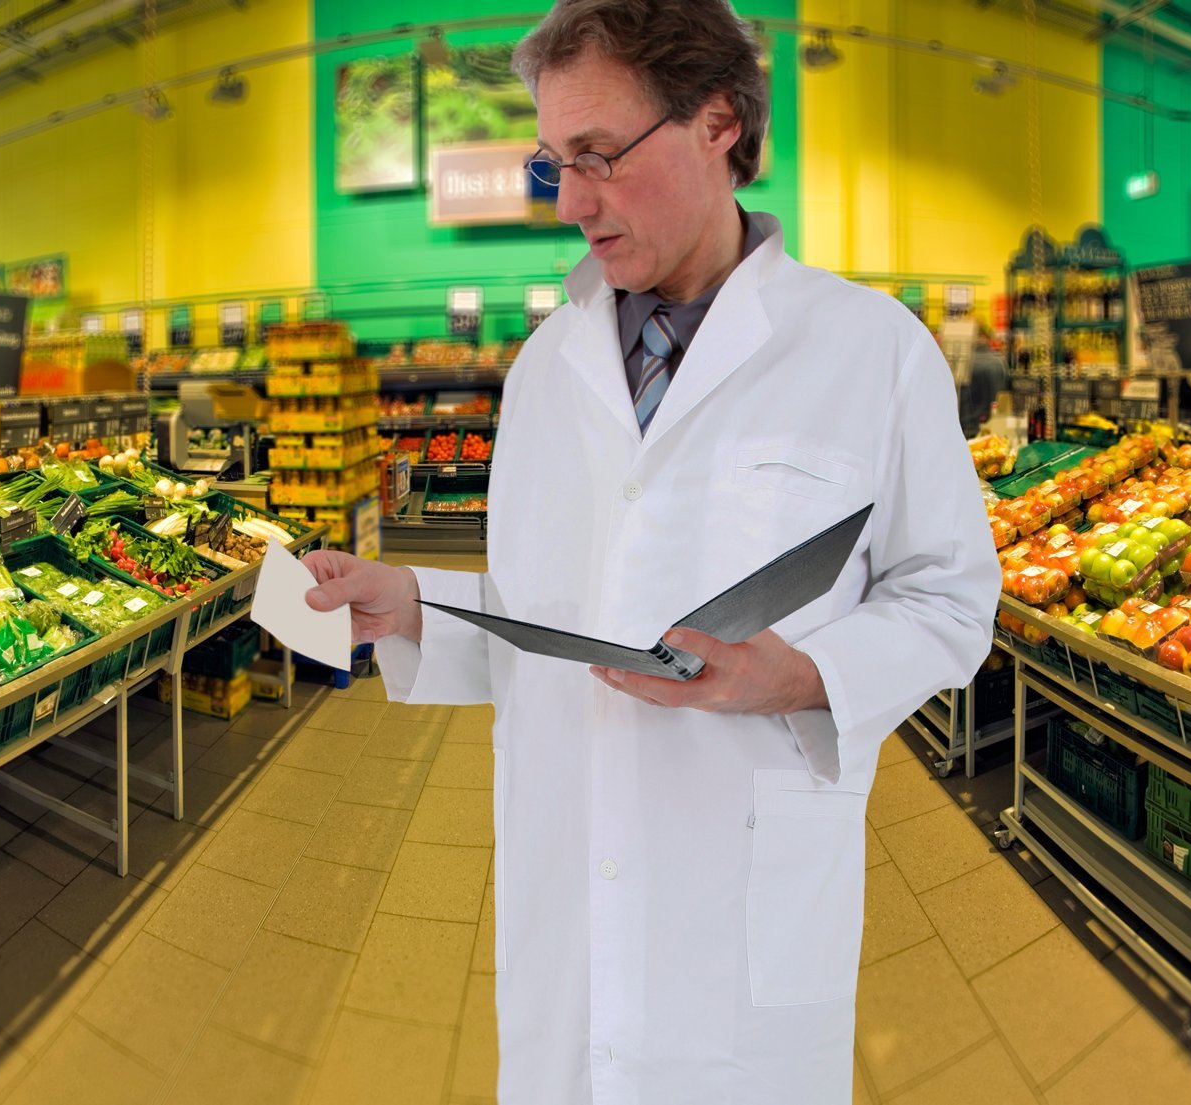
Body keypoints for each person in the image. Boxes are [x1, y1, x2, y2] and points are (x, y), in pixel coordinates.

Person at [295, 2, 996, 1101]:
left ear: (719, 120)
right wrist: (419, 605)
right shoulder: (543, 373)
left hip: (744, 940)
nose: (571, 201)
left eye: (598, 155)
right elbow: (553, 612)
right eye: (552, 162)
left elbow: (951, 600)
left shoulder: (870, 352)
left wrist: (805, 675)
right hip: (565, 919)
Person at [961, 320, 1009, 437]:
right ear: (986, 337)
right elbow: (1004, 399)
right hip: (993, 429)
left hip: (966, 429)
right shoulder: (1000, 362)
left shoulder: (963, 364)